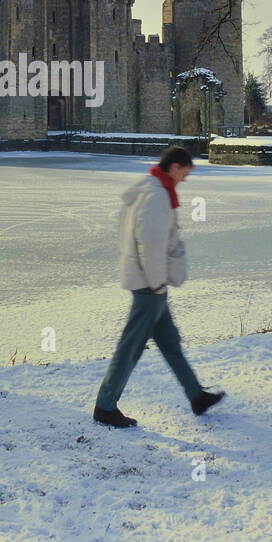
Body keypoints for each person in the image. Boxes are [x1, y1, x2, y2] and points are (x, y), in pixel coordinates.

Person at [93, 146, 224, 428]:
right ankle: (105, 406)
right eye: (184, 173)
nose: (185, 180)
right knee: (130, 347)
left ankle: (196, 395)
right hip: (148, 285)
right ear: (174, 167)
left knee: (169, 342)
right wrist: (155, 283)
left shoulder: (149, 188)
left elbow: (124, 228)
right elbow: (150, 244)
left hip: (147, 281)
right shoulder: (155, 195)